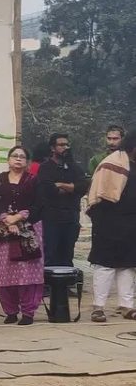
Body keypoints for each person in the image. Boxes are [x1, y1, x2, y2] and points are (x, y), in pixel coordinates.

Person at [0, 146, 44, 326]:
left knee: (28, 273)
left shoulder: (34, 181)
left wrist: (18, 218)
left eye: (22, 157)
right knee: (5, 271)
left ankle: (28, 313)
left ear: (27, 162)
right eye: (14, 156)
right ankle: (10, 311)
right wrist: (6, 219)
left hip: (28, 230)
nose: (18, 159)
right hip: (3, 230)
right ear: (8, 159)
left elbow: (39, 204)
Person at [86, 130, 136, 322]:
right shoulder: (112, 163)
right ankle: (98, 308)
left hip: (131, 223)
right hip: (108, 221)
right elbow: (100, 194)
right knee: (105, 265)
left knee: (128, 265)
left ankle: (127, 306)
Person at [36, 133, 87, 267]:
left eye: (67, 145)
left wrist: (61, 185)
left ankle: (66, 280)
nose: (65, 147)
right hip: (51, 219)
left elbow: (82, 187)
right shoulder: (45, 168)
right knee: (50, 255)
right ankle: (49, 280)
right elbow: (48, 190)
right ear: (53, 148)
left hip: (71, 218)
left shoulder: (74, 168)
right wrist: (72, 188)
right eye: (61, 145)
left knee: (67, 255)